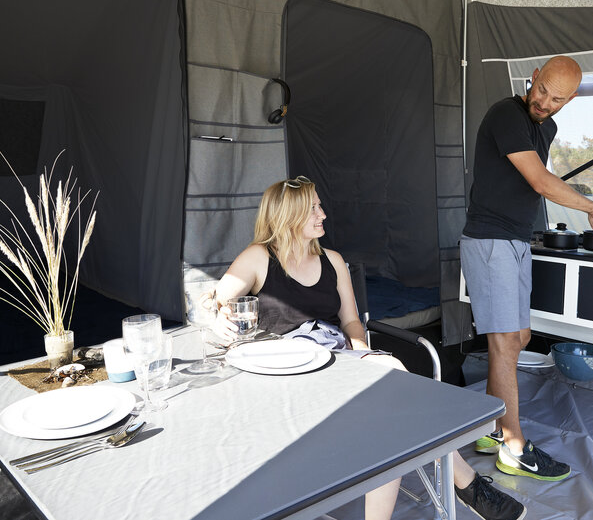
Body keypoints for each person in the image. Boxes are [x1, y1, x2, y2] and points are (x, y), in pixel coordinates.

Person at [208, 176, 526, 520]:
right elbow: (213, 301)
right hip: (284, 374)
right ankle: (469, 486)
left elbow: (350, 321)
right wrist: (217, 317)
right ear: (289, 214)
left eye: (319, 206)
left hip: (334, 360)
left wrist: (362, 353)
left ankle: (463, 487)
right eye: (313, 208)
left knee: (394, 405)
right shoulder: (259, 257)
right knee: (399, 407)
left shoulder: (332, 260)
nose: (323, 214)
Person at [460, 55, 593, 481]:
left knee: (520, 337)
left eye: (557, 99)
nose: (544, 102)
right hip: (489, 239)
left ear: (571, 99)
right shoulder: (506, 113)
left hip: (516, 239)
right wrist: (590, 206)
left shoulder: (547, 127)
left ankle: (489, 429)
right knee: (505, 340)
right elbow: (540, 181)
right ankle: (513, 446)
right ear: (533, 78)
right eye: (542, 90)